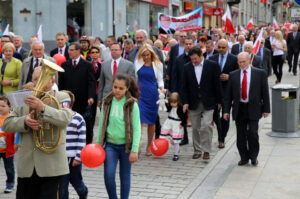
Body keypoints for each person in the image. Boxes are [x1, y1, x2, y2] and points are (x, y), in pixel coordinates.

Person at [3, 66, 73, 199]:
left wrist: (43, 108)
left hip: (52, 165)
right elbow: (7, 124)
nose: (38, 82)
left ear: (52, 82)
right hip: (27, 166)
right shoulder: (23, 99)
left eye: (43, 78)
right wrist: (24, 121)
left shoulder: (62, 97)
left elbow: (66, 119)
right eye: (35, 79)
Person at [96, 73, 141, 199]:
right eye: (115, 87)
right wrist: (99, 145)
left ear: (127, 89)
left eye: (121, 88)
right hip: (110, 146)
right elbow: (101, 125)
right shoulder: (107, 102)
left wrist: (134, 150)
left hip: (126, 147)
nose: (117, 90)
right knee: (109, 175)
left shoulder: (132, 104)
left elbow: (137, 129)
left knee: (125, 176)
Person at [223, 52, 270, 166]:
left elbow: (265, 92)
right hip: (240, 108)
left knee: (253, 133)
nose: (242, 64)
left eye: (244, 61)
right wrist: (225, 111)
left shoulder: (260, 74)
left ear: (249, 60)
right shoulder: (233, 75)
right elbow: (228, 96)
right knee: (241, 135)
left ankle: (253, 156)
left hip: (254, 107)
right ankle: (244, 157)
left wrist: (266, 109)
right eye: (240, 62)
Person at [182, 46, 222, 160]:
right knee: (195, 127)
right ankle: (197, 150)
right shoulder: (187, 67)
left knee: (206, 126)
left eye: (195, 59)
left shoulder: (212, 65)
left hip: (209, 101)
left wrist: (219, 100)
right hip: (193, 102)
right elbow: (184, 87)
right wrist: (185, 102)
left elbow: (217, 84)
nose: (193, 61)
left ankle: (206, 150)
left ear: (201, 56)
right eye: (192, 59)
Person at [59, 42, 95, 144]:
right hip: (68, 102)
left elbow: (91, 82)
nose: (68, 52)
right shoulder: (64, 65)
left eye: (71, 50)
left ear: (78, 51)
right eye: (69, 50)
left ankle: (87, 145)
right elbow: (61, 83)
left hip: (83, 101)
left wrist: (91, 96)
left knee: (85, 124)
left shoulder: (87, 65)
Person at [135, 43, 165, 156]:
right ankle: (137, 144)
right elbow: (135, 77)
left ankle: (149, 145)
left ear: (151, 54)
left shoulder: (158, 64)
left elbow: (160, 80)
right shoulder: (138, 63)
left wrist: (162, 88)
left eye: (148, 55)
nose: (146, 57)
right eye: (144, 55)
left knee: (151, 122)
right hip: (140, 95)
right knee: (139, 120)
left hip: (153, 95)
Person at [209, 39, 239, 148]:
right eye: (219, 47)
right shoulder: (212, 58)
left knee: (225, 114)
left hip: (228, 91)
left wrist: (229, 76)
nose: (221, 49)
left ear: (228, 48)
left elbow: (238, 74)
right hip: (215, 91)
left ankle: (222, 137)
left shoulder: (234, 59)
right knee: (215, 114)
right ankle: (220, 131)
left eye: (223, 47)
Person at [61, 90, 88, 199]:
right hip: (61, 157)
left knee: (76, 182)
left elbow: (82, 140)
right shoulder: (57, 118)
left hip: (74, 158)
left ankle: (83, 192)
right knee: (63, 186)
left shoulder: (78, 119)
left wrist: (78, 157)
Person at [170, 36, 194, 145]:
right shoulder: (179, 59)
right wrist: (174, 91)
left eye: (190, 44)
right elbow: (174, 76)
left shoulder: (196, 58)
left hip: (194, 91)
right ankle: (185, 137)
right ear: (184, 45)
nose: (188, 46)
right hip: (182, 90)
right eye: (186, 44)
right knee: (182, 114)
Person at [160, 92, 187, 161]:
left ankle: (176, 154)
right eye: (171, 102)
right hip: (169, 122)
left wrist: (182, 124)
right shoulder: (170, 106)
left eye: (174, 102)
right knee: (169, 138)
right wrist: (165, 101)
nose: (172, 104)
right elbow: (167, 109)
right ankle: (176, 149)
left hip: (177, 124)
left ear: (178, 101)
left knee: (176, 141)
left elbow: (184, 117)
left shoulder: (180, 108)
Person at [0, 96, 16, 194]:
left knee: (9, 168)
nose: (0, 108)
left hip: (7, 150)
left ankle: (10, 183)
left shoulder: (11, 118)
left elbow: (16, 133)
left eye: (3, 106)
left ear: (10, 107)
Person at [89, 45, 102, 140]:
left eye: (96, 52)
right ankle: (91, 134)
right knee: (91, 115)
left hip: (101, 92)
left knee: (104, 114)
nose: (95, 54)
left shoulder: (103, 65)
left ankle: (103, 135)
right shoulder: (88, 65)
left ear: (99, 54)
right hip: (92, 93)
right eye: (92, 52)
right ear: (90, 54)